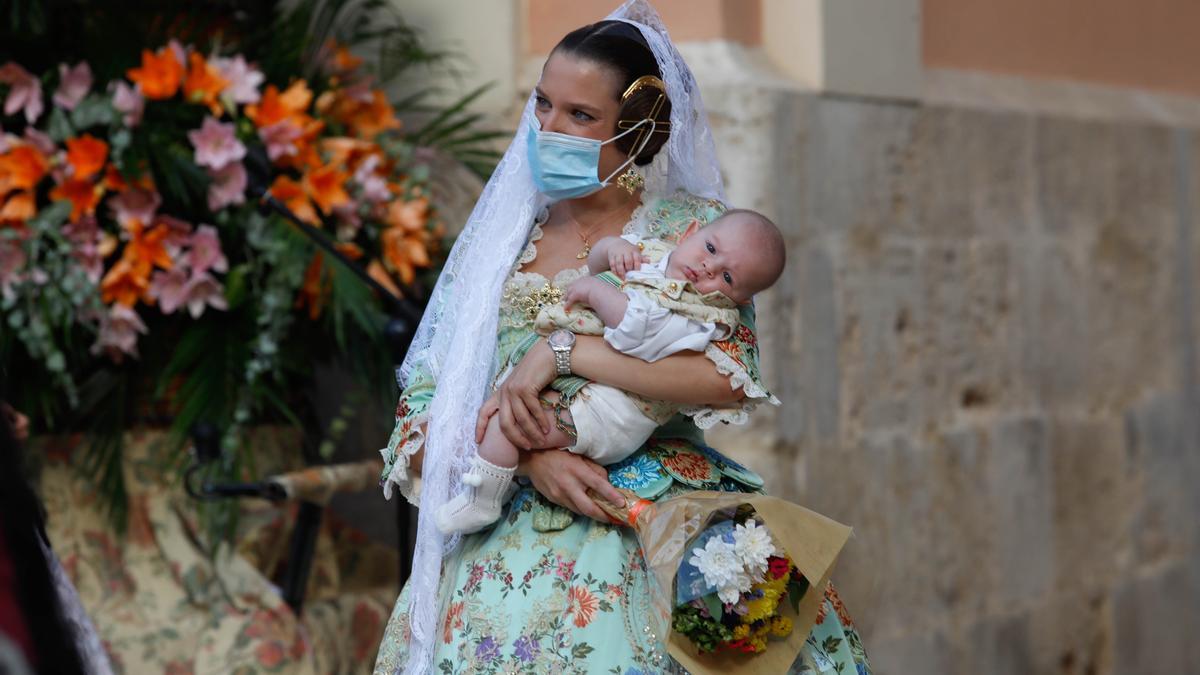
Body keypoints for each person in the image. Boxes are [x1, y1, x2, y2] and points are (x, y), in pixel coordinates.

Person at [374, 3, 871, 673]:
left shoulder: (697, 236)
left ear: (637, 125)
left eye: (581, 116)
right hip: (496, 513)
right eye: (543, 103)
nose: (549, 128)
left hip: (657, 513)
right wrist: (528, 462)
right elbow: (423, 403)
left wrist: (567, 351)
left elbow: (725, 374)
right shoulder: (494, 248)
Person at [434, 209, 787, 535]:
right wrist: (611, 250)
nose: (709, 267)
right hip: (579, 389)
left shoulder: (702, 317)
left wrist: (591, 298)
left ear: (738, 300)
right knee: (502, 417)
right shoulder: (653, 255)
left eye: (726, 276)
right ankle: (498, 482)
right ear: (690, 232)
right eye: (709, 248)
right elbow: (597, 263)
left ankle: (482, 500)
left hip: (610, 412)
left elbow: (637, 333)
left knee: (508, 424)